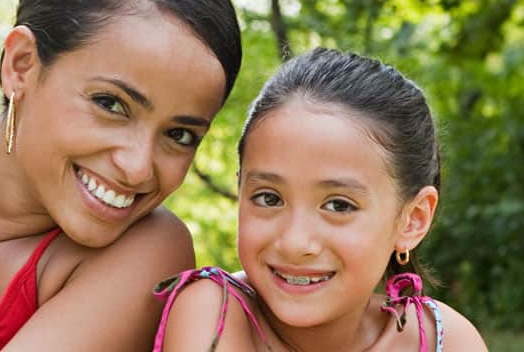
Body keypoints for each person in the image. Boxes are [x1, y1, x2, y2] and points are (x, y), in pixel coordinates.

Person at [0, 0, 241, 350]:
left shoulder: (149, 251)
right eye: (111, 104)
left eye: (179, 135)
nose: (137, 168)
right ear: (21, 65)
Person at [153, 48, 488, 351]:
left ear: (412, 219)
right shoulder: (214, 313)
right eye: (269, 198)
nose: (295, 242)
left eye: (339, 205)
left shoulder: (445, 339)